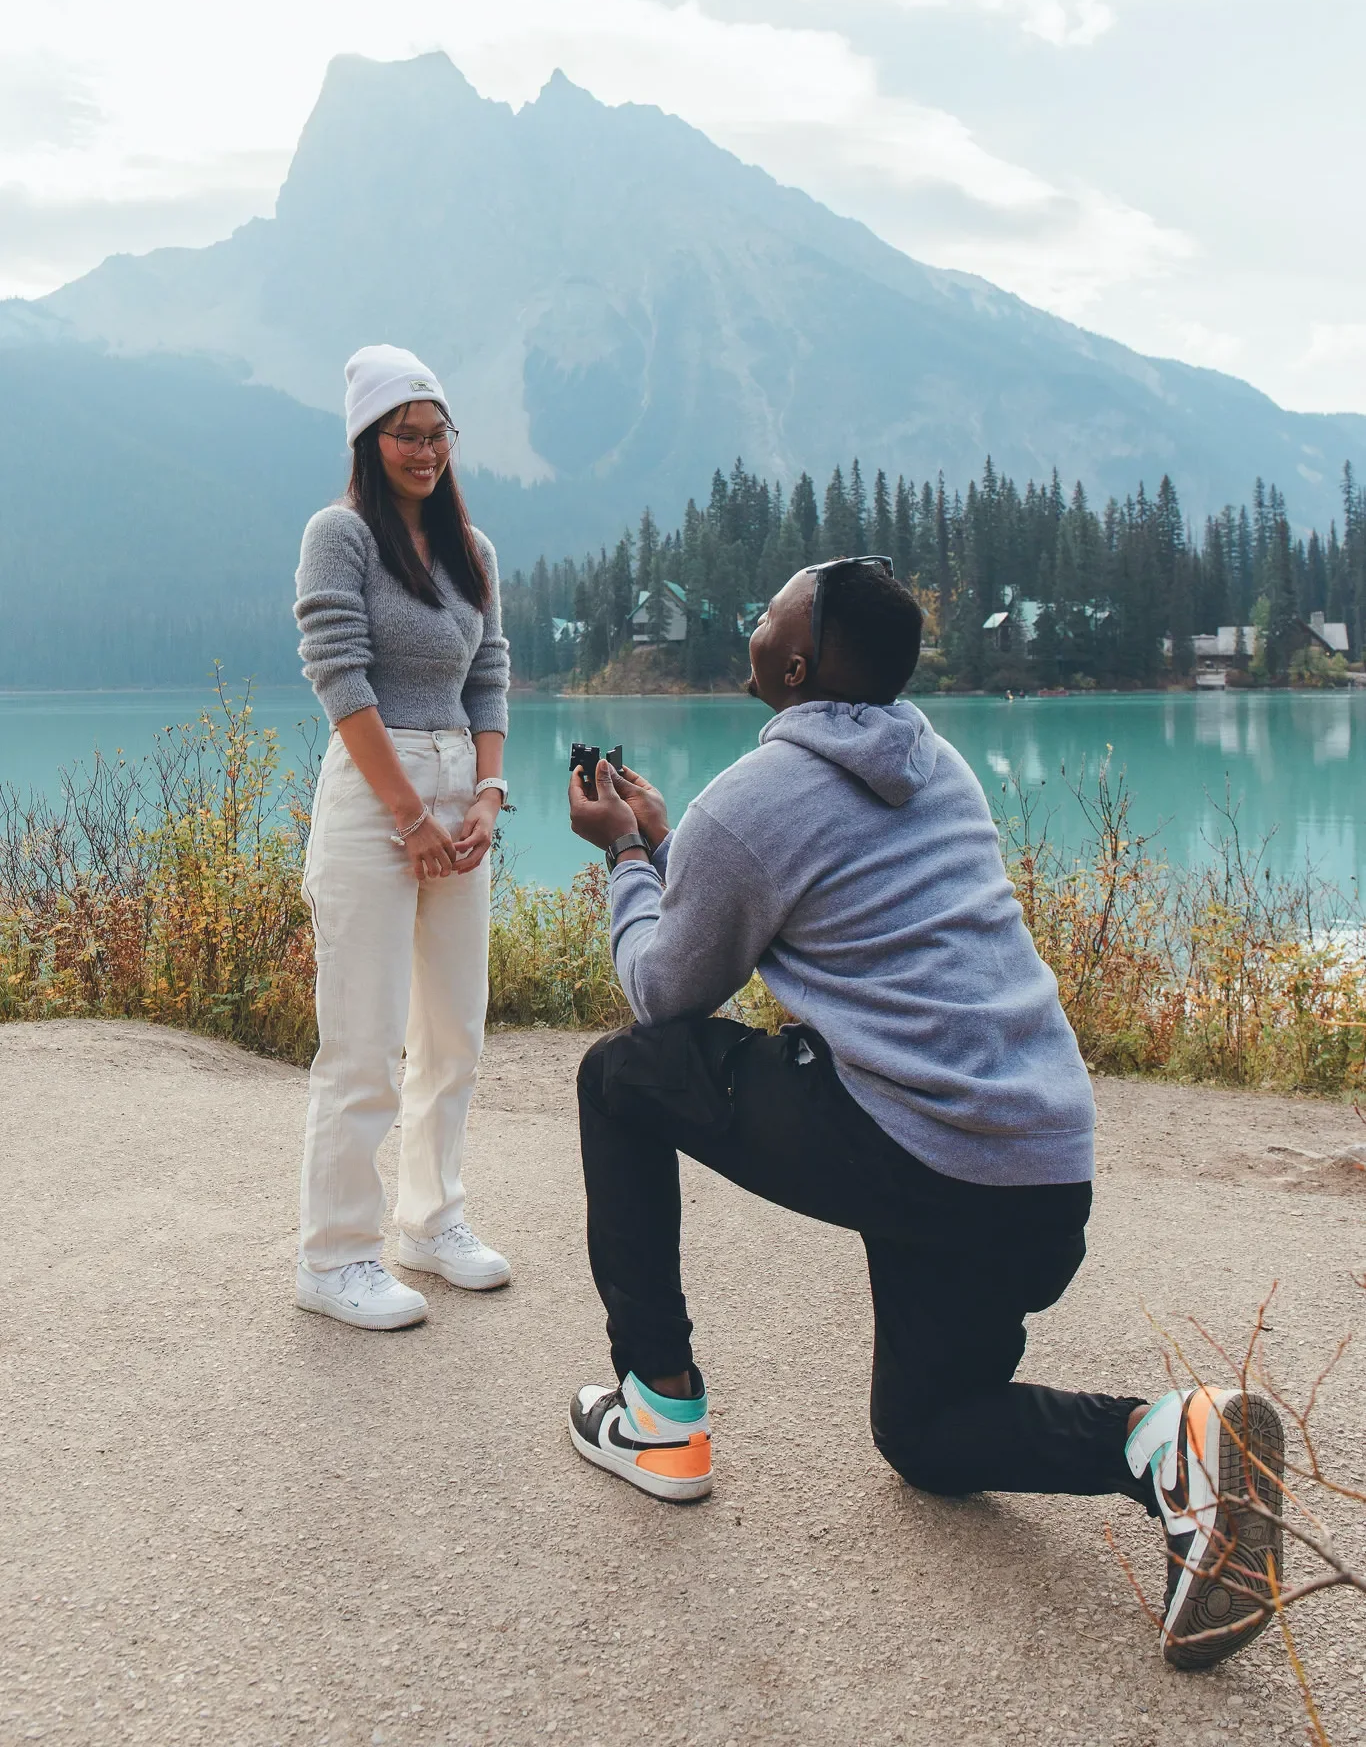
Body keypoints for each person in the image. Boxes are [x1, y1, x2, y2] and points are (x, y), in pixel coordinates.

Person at [565, 555, 1284, 1672]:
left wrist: (626, 854)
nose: (755, 620)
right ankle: (1168, 1439)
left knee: (621, 1076)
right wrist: (670, 852)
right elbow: (789, 888)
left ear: (794, 666)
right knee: (928, 1432)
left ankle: (657, 1414)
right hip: (1037, 1175)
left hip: (920, 1149)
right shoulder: (934, 762)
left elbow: (665, 992)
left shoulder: (751, 800)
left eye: (769, 612)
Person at [291, 344, 512, 1331]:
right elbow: (338, 675)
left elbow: (489, 674)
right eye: (405, 434)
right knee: (365, 1042)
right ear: (367, 440)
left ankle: (430, 1220)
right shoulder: (338, 535)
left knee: (454, 1032)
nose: (425, 451)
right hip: (376, 795)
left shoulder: (472, 549)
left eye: (437, 433)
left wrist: (487, 794)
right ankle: (335, 1255)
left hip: (460, 789)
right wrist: (409, 815)